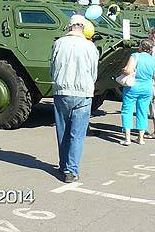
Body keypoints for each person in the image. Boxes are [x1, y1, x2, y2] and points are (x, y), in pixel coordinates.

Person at [50, 14, 99, 183]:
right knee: (77, 134)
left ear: (69, 27)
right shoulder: (90, 47)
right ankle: (72, 170)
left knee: (62, 131)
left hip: (62, 91)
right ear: (83, 28)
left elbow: (53, 67)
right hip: (84, 93)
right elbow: (94, 72)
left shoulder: (59, 43)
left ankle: (63, 166)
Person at [119, 39, 155, 145]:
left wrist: (123, 70)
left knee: (127, 110)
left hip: (133, 87)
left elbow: (128, 70)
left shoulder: (135, 56)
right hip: (147, 88)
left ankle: (127, 139)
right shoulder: (153, 60)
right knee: (142, 112)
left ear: (141, 47)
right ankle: (140, 138)